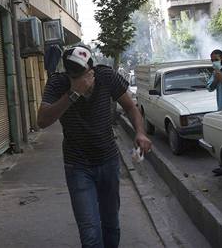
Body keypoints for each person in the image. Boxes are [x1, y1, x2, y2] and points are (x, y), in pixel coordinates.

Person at [37, 45, 152, 248]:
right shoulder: (58, 82)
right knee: (90, 233)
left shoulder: (106, 76)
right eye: (74, 77)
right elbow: (42, 120)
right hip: (77, 166)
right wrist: (73, 94)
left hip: (108, 161)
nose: (80, 81)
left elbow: (130, 106)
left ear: (92, 71)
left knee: (111, 225)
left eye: (83, 75)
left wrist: (140, 132)